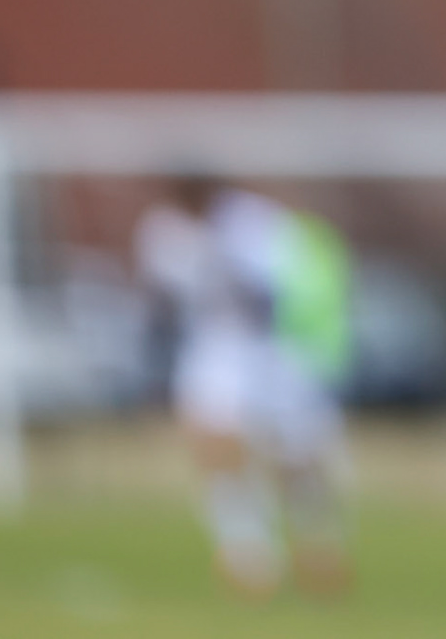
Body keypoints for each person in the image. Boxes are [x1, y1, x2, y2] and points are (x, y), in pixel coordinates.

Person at [136, 174, 352, 596]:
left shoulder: (254, 223)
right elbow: (162, 302)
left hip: (275, 346)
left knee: (295, 456)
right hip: (214, 345)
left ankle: (319, 542)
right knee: (214, 441)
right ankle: (247, 551)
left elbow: (283, 292)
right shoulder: (162, 230)